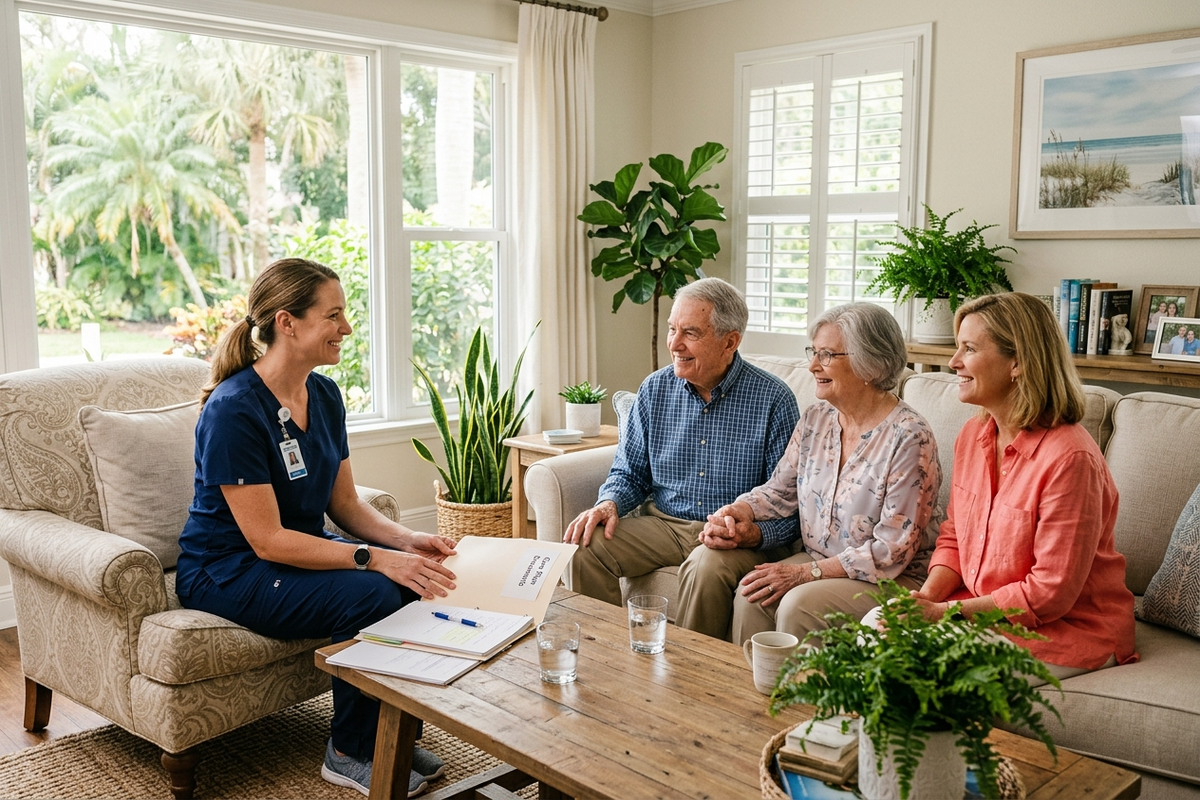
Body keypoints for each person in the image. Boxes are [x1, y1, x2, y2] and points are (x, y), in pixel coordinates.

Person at [176, 258, 457, 798]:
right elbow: (267, 540)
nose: (346, 328)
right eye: (333, 315)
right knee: (373, 591)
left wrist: (405, 541)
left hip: (291, 552)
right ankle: (349, 749)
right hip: (228, 569)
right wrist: (372, 557)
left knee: (417, 576)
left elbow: (345, 504)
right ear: (288, 322)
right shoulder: (234, 410)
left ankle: (389, 733)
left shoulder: (324, 396)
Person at [677, 302, 941, 643]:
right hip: (819, 558)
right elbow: (779, 491)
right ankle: (742, 694)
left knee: (796, 604)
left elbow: (891, 552)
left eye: (827, 355)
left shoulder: (909, 436)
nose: (813, 365)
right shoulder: (817, 418)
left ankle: (797, 696)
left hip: (887, 579)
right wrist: (737, 511)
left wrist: (806, 573)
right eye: (813, 352)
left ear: (871, 365)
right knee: (753, 593)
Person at [905, 291, 1137, 680]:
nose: (953, 362)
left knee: (919, 671)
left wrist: (946, 613)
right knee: (876, 631)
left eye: (969, 349)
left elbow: (1050, 593)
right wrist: (926, 599)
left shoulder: (1070, 459)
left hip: (1064, 629)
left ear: (1017, 363)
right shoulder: (973, 435)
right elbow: (955, 538)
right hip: (982, 612)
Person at [562, 278, 800, 608]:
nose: (674, 344)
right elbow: (630, 473)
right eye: (673, 329)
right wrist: (609, 503)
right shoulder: (654, 389)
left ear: (729, 342)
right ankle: (608, 654)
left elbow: (790, 502)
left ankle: (689, 662)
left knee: (706, 567)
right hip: (664, 524)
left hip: (731, 538)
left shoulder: (774, 400)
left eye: (690, 333)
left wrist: (756, 535)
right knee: (582, 547)